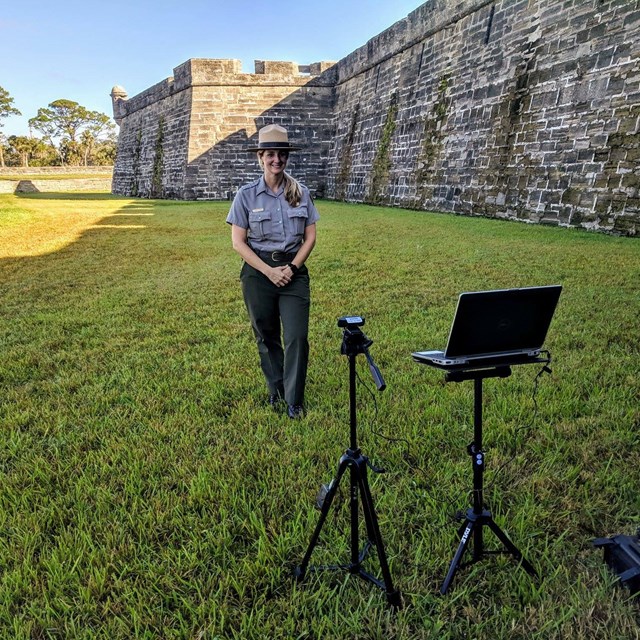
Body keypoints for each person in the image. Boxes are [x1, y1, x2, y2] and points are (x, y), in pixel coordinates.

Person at [226, 124, 319, 419]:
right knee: (266, 336)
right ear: (260, 157)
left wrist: (291, 268)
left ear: (287, 158)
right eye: (270, 154)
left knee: (297, 337)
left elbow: (311, 237)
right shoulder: (246, 195)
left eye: (281, 154)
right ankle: (276, 390)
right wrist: (269, 271)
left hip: (294, 273)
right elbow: (238, 243)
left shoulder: (300, 192)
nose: (276, 160)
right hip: (258, 274)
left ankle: (294, 399)